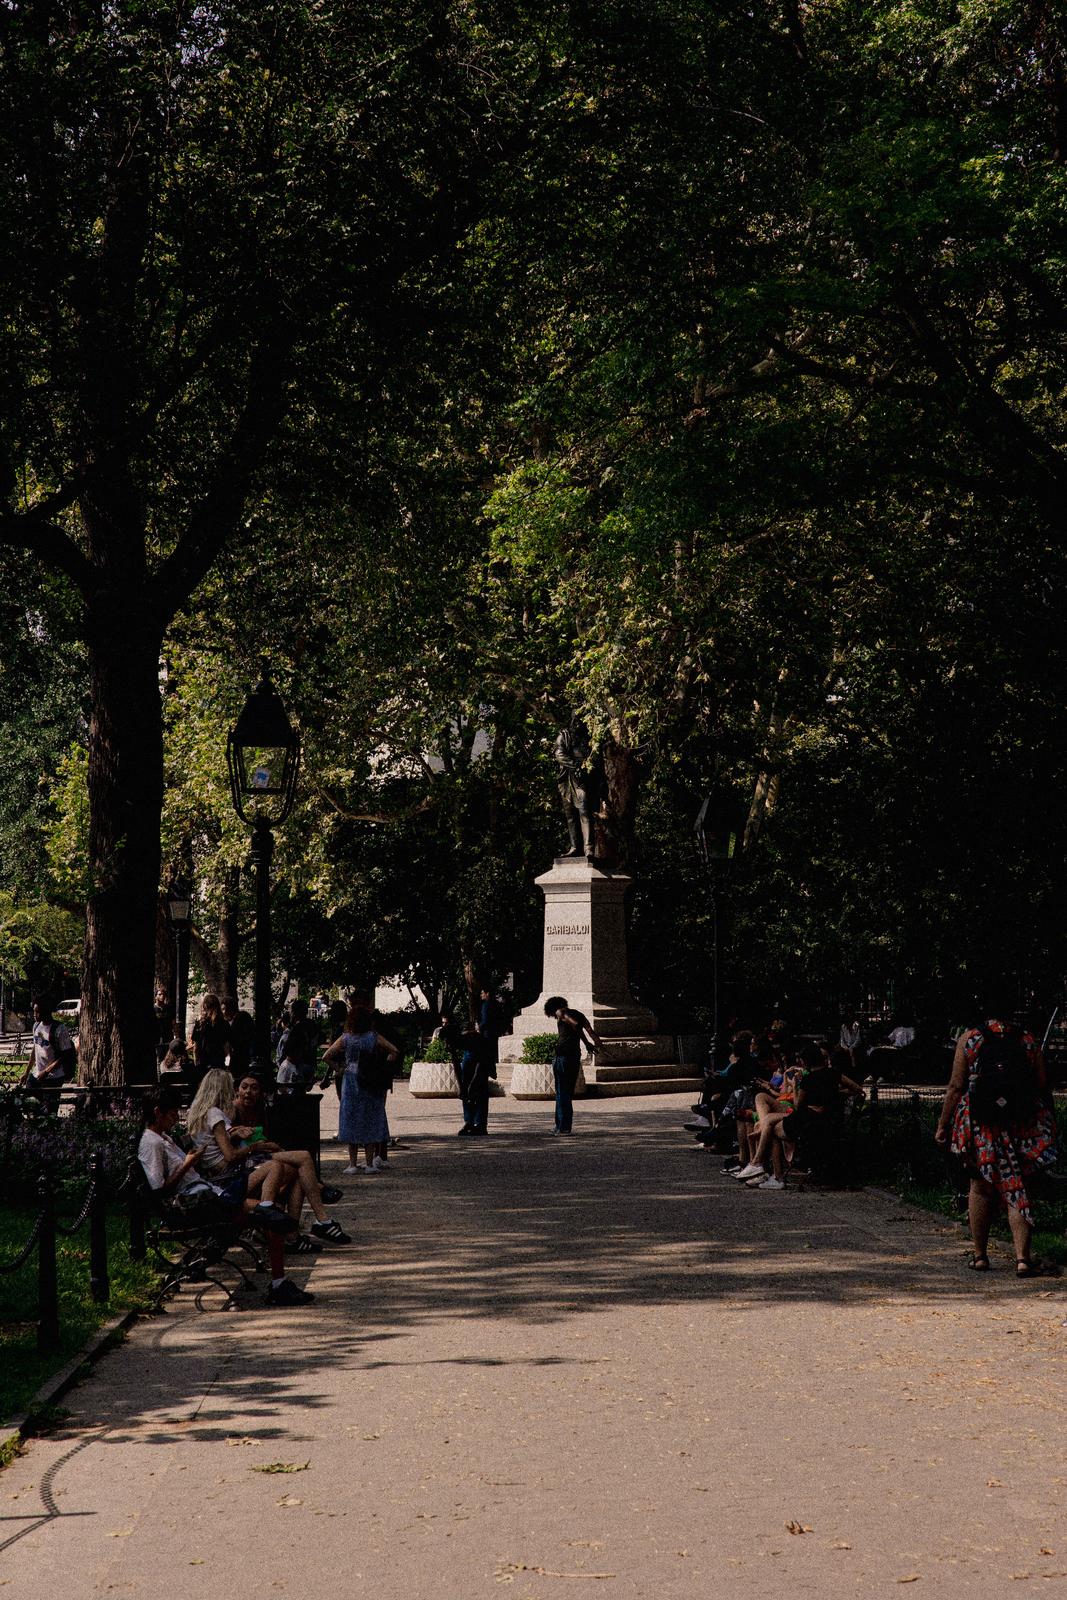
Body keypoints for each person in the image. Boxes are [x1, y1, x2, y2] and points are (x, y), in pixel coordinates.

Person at [137, 1085, 313, 1308]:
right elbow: (159, 1189)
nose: (174, 1119)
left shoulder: (162, 1138)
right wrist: (188, 1164)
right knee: (270, 1215)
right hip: (193, 1206)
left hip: (209, 1194)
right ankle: (279, 1283)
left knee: (271, 1197)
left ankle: (279, 1273)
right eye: (172, 1114)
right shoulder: (151, 1143)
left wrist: (191, 1162)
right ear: (157, 1112)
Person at [935, 1008, 1059, 1276]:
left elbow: (956, 1086)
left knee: (979, 1186)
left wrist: (943, 1125)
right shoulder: (1027, 1039)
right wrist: (1051, 1122)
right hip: (1020, 1123)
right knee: (1018, 1185)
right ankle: (1022, 1258)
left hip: (981, 1124)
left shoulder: (970, 1038)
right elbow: (1041, 1084)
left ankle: (980, 1256)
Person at [231, 1073, 350, 1250]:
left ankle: (292, 1236)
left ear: (261, 1093)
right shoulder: (232, 1112)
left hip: (259, 1158)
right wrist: (256, 1144)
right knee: (304, 1157)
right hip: (245, 1163)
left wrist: (268, 1146)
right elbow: (230, 1150)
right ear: (237, 1090)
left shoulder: (260, 1111)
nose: (248, 1091)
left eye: (254, 1088)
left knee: (299, 1174)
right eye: (244, 1087)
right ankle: (322, 1213)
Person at [323, 1003, 400, 1173]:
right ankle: (370, 1163)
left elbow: (326, 1056)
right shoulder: (373, 1037)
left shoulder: (345, 1038)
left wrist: (339, 1069)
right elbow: (394, 1051)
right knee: (369, 1117)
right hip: (370, 1077)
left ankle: (352, 1164)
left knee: (351, 1117)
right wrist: (383, 1066)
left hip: (350, 1079)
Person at [544, 996, 602, 1135]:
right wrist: (594, 1044)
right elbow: (590, 1030)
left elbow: (574, 1024)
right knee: (567, 1092)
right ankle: (562, 1125)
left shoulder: (561, 1012)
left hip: (563, 1055)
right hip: (574, 1055)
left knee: (561, 1092)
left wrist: (586, 1042)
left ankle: (562, 1127)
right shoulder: (579, 1014)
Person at [19, 997, 77, 1106]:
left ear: (46, 1011)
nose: (34, 1015)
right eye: (34, 1011)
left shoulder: (60, 1029)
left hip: (53, 1078)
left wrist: (46, 1072)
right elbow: (35, 1049)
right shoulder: (36, 1026)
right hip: (36, 1075)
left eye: (37, 1012)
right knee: (29, 1106)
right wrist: (26, 1072)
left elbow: (65, 1055)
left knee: (49, 1110)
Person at [276, 997, 319, 1088]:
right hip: (310, 1064)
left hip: (295, 1065)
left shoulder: (297, 1028)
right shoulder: (312, 1025)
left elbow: (288, 1049)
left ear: (294, 1012)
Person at [457, 1019, 490, 1136]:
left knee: (480, 1091)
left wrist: (472, 1084)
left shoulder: (477, 1040)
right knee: (466, 1093)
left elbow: (481, 1064)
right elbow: (457, 1065)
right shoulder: (458, 1042)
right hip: (469, 1062)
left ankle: (480, 1124)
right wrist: (462, 1086)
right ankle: (469, 1121)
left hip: (480, 1061)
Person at [190, 994, 228, 1084]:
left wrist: (196, 1061)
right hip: (218, 1061)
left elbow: (196, 1047)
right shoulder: (224, 1024)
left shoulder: (200, 1024)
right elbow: (226, 1047)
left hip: (203, 1062)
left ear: (205, 1006)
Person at [222, 996, 255, 1076]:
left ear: (230, 1009)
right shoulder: (232, 1021)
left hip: (242, 1058)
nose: (223, 1012)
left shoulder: (241, 1018)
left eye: (224, 1009)